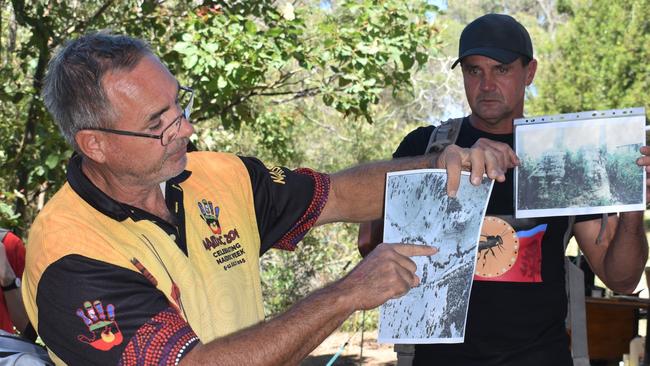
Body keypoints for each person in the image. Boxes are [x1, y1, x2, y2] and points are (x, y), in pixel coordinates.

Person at [20, 32, 510, 365]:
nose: (185, 128)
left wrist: (437, 163)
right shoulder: (68, 256)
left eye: (178, 103)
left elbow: (337, 193)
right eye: (158, 123)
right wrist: (346, 293)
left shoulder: (218, 176)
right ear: (95, 144)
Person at [360, 13, 650, 366]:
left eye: (501, 69)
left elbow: (622, 278)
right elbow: (369, 244)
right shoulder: (425, 148)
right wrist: (438, 176)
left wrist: (633, 205)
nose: (486, 84)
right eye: (473, 70)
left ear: (530, 73)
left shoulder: (562, 152)